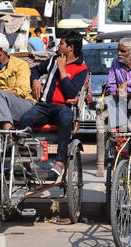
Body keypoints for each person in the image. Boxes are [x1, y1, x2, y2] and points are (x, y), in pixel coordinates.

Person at [20, 31, 88, 179]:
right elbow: (35, 70)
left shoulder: (82, 69)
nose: (58, 45)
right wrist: (35, 80)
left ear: (70, 48)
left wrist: (62, 70)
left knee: (66, 119)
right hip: (44, 106)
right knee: (25, 120)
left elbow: (70, 93)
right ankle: (26, 160)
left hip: (63, 107)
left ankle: (59, 162)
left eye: (62, 43)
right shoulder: (53, 60)